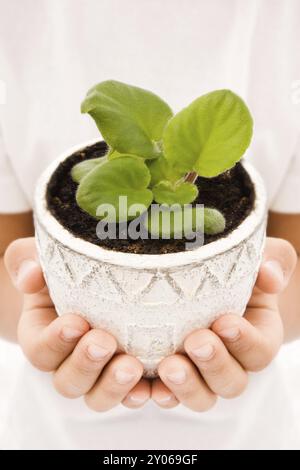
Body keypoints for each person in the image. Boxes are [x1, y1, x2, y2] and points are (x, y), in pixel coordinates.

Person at [0, 0, 300, 450]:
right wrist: (35, 306)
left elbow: (287, 266)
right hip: (49, 432)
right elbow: (13, 264)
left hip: (251, 432)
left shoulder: (284, 20)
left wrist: (265, 307)